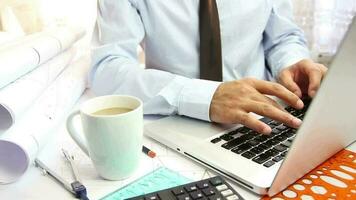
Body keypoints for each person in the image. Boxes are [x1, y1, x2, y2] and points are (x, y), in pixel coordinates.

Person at [90, 0, 327, 134]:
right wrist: (205, 97)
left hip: (266, 116)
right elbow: (107, 68)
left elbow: (282, 36)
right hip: (177, 123)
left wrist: (292, 62)